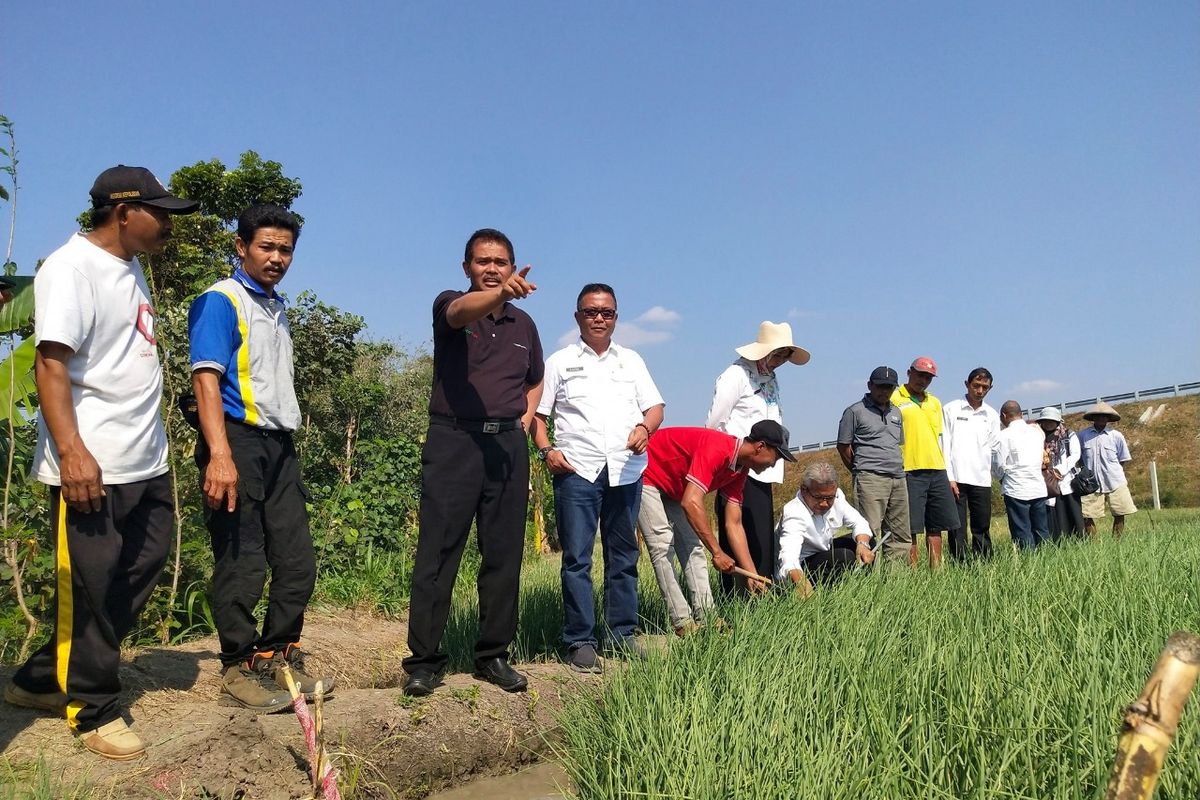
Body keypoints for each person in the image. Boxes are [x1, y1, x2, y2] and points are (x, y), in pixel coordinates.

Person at [4, 166, 197, 760]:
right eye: (159, 212)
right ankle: (91, 710)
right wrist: (73, 454)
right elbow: (50, 364)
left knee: (143, 565)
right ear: (123, 212)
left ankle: (42, 676)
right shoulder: (71, 268)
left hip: (146, 460)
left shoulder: (127, 265)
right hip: (94, 464)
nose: (167, 224)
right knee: (90, 586)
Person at [188, 204, 330, 713]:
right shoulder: (220, 300)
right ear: (241, 246)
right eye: (266, 247)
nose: (276, 257)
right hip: (236, 440)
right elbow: (205, 379)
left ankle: (279, 654)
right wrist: (219, 456)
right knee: (241, 557)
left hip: (278, 445)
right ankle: (238, 666)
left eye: (285, 249)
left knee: (296, 560)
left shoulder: (275, 306)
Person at [403, 229, 543, 696]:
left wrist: (521, 423)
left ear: (512, 264)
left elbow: (534, 381)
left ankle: (493, 656)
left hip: (506, 447)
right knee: (438, 553)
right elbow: (462, 312)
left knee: (503, 555)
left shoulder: (524, 326)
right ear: (466, 268)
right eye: (482, 261)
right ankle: (424, 661)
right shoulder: (452, 305)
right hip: (453, 442)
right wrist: (496, 295)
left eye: (500, 262)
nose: (492, 268)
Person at [533, 283, 664, 673]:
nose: (599, 318)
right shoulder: (559, 362)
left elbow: (655, 407)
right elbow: (539, 417)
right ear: (578, 317)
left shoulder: (632, 361)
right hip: (577, 471)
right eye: (591, 312)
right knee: (576, 558)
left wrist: (645, 428)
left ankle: (621, 633)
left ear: (616, 318)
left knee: (624, 556)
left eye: (606, 312)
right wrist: (547, 451)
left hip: (625, 470)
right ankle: (580, 640)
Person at [638, 421, 793, 635]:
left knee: (694, 548)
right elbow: (691, 502)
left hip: (674, 486)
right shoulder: (718, 449)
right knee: (662, 545)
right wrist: (718, 552)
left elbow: (733, 523)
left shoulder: (739, 471)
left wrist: (751, 574)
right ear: (761, 447)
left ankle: (707, 617)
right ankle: (682, 621)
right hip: (647, 471)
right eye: (776, 457)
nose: (774, 464)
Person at [706, 321, 810, 596]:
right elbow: (716, 423)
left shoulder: (771, 379)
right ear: (760, 351)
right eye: (776, 354)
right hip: (736, 467)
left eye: (785, 356)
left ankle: (762, 591)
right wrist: (723, 462)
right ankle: (735, 596)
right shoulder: (735, 375)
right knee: (736, 532)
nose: (780, 361)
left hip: (764, 469)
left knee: (761, 536)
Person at [836, 366, 911, 562]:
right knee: (869, 531)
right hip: (870, 477)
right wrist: (858, 468)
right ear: (870, 385)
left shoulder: (897, 413)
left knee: (899, 532)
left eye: (889, 387)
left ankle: (897, 580)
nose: (884, 391)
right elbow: (844, 446)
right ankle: (870, 579)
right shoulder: (854, 411)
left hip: (897, 476)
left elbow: (896, 443)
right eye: (880, 386)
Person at [891, 357, 958, 567]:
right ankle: (913, 572)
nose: (924, 380)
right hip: (910, 468)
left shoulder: (935, 402)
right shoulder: (894, 398)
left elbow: (941, 437)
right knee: (911, 527)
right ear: (909, 372)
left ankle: (935, 570)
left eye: (928, 377)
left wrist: (949, 473)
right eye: (920, 374)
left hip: (937, 468)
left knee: (936, 525)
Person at [776, 462, 875, 597]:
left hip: (823, 552)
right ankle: (833, 597)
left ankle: (864, 592)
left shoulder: (837, 496)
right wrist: (800, 582)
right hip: (803, 565)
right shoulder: (794, 512)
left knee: (867, 540)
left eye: (829, 498)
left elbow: (859, 522)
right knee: (843, 557)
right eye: (818, 497)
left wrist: (863, 545)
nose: (824, 503)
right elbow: (789, 557)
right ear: (804, 489)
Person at [941, 368, 1001, 558]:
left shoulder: (991, 415)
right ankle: (959, 562)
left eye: (985, 387)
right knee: (957, 526)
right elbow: (944, 445)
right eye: (976, 385)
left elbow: (995, 447)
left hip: (981, 477)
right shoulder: (951, 409)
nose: (980, 390)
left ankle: (984, 561)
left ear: (990, 388)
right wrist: (949, 477)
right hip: (956, 477)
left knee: (982, 524)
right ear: (967, 384)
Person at [992, 401, 1049, 549]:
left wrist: (1001, 477)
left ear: (1003, 416)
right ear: (1021, 414)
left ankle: (1029, 562)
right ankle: (1047, 560)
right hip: (1038, 487)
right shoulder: (1037, 433)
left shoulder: (1003, 435)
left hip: (1016, 487)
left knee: (1022, 530)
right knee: (1041, 529)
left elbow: (998, 464)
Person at [1077, 401, 1137, 536]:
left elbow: (1123, 459)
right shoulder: (1082, 436)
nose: (1101, 419)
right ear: (1093, 418)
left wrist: (1112, 471)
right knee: (1086, 513)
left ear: (1108, 419)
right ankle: (1094, 543)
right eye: (1098, 416)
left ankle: (1117, 541)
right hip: (1090, 482)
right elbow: (1078, 457)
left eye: (1104, 416)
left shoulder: (1116, 436)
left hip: (1115, 480)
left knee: (1120, 512)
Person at [1035, 407, 1084, 540]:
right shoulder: (1037, 437)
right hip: (1047, 481)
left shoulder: (1068, 435)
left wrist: (1059, 470)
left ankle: (1079, 539)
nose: (1048, 424)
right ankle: (1059, 541)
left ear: (1058, 422)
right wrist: (1048, 471)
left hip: (1066, 480)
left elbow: (1075, 455)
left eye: (1052, 421)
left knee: (1072, 511)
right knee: (1054, 514)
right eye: (1045, 421)